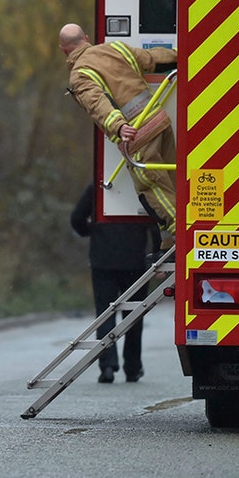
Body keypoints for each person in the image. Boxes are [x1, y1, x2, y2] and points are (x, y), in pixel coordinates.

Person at [58, 23, 178, 250]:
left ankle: (182, 235)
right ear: (86, 37)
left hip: (137, 134)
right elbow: (153, 58)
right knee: (171, 184)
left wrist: (119, 126)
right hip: (160, 122)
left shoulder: (80, 74)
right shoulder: (115, 48)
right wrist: (184, 57)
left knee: (153, 188)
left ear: (63, 49)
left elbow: (97, 104)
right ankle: (168, 242)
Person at [70, 183, 159, 383]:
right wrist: (157, 254)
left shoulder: (97, 188)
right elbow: (155, 222)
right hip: (134, 261)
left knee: (104, 314)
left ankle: (107, 366)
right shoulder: (140, 187)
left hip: (103, 260)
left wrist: (91, 231)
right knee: (134, 316)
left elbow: (76, 218)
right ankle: (133, 367)